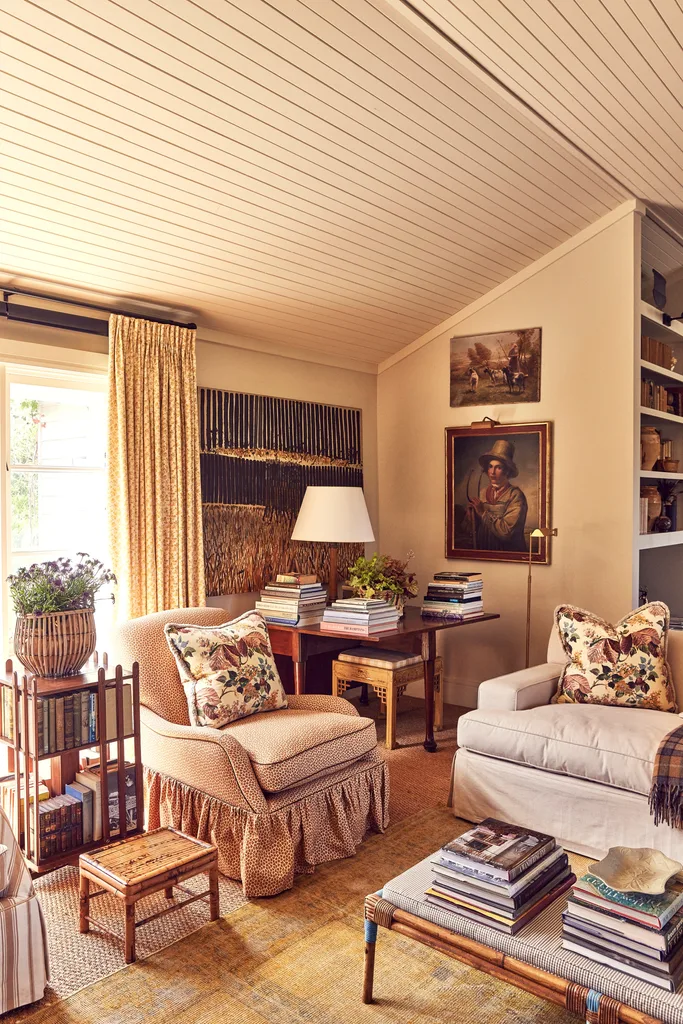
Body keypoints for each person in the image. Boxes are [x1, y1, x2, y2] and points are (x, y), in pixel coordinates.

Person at [467, 439, 528, 551]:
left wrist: (483, 513)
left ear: (507, 471)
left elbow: (507, 532)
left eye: (498, 467)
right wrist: (472, 517)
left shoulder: (516, 496)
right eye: (490, 466)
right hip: (485, 553)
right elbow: (476, 529)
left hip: (508, 555)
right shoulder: (482, 493)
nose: (492, 472)